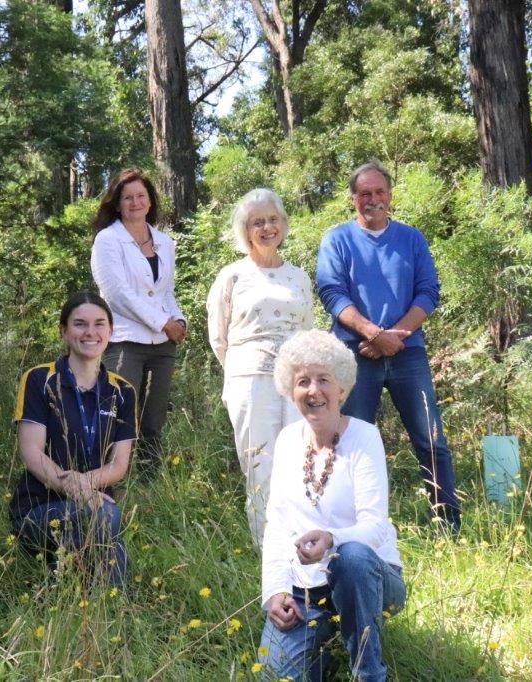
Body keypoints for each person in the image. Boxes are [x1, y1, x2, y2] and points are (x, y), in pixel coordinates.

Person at [315, 160, 461, 532]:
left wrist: (392, 337)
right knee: (348, 442)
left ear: (390, 196)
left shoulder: (412, 239)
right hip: (353, 357)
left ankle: (447, 524)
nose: (373, 199)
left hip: (408, 354)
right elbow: (331, 292)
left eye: (380, 192)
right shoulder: (337, 239)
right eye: (365, 193)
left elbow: (429, 292)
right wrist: (371, 334)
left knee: (431, 440)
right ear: (353, 200)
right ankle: (349, 527)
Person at [260, 329, 405, 681]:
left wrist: (330, 538)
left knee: (351, 555)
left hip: (371, 576)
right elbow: (277, 524)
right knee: (278, 676)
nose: (313, 391)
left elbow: (375, 527)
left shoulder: (364, 437)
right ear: (289, 390)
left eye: (323, 380)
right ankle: (323, 641)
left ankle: (368, 672)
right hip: (305, 585)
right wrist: (275, 590)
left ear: (341, 387)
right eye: (302, 381)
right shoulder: (286, 441)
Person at [206, 188, 314, 549]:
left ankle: (303, 550)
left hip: (297, 384)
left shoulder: (299, 277)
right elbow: (218, 336)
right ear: (245, 230)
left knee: (300, 465)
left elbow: (308, 331)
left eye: (272, 219)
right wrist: (246, 370)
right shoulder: (233, 276)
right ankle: (268, 553)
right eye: (257, 222)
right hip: (250, 380)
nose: (266, 227)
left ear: (283, 224)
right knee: (261, 466)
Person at [10, 292, 136, 585]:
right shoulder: (40, 379)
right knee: (107, 525)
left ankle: (77, 599)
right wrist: (77, 490)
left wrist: (86, 487)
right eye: (80, 324)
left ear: (111, 331)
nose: (90, 332)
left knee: (104, 531)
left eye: (99, 324)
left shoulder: (123, 391)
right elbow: (31, 453)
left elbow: (118, 465)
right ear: (64, 331)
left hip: (96, 507)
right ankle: (109, 607)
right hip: (38, 509)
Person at [90, 168, 186, 476]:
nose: (135, 202)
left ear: (150, 201)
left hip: (163, 345)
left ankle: (148, 483)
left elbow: (166, 291)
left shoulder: (164, 242)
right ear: (117, 204)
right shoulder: (108, 240)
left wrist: (179, 319)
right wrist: (163, 322)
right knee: (119, 415)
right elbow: (117, 294)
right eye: (127, 197)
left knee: (154, 419)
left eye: (141, 196)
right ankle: (109, 481)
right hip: (124, 341)